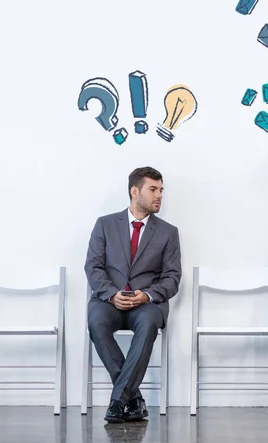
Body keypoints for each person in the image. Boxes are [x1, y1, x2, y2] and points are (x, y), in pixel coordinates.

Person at [85, 166, 182, 423]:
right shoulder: (105, 224)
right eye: (153, 189)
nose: (159, 195)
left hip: (146, 304)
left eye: (161, 190)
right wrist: (111, 294)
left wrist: (147, 295)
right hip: (109, 300)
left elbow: (172, 278)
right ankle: (133, 398)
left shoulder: (168, 232)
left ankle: (118, 400)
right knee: (96, 321)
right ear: (134, 191)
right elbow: (93, 267)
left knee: (149, 322)